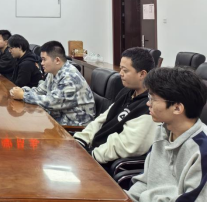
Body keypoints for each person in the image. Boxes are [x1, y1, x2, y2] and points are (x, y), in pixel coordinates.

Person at [127, 67, 207, 202]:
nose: (148, 103)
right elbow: (145, 181)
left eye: (153, 99)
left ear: (177, 108)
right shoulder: (162, 131)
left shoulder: (202, 151)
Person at [74, 47, 157, 166]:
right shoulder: (127, 92)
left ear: (142, 74)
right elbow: (102, 119)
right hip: (92, 150)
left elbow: (125, 145)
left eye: (125, 70)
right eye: (121, 68)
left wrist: (91, 156)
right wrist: (81, 140)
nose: (120, 73)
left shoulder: (150, 107)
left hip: (103, 161)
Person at [10, 41, 95, 126]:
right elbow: (41, 91)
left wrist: (23, 96)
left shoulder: (70, 77)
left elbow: (52, 102)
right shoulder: (53, 72)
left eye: (44, 59)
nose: (41, 63)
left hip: (75, 125)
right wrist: (22, 91)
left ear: (57, 60)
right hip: (60, 116)